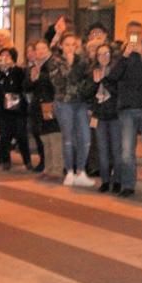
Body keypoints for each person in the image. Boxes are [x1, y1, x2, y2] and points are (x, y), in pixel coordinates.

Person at [108, 21, 142, 199]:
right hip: (127, 108)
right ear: (125, 34)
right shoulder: (120, 54)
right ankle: (128, 185)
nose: (135, 36)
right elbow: (113, 76)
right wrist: (125, 56)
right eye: (131, 33)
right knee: (126, 151)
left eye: (138, 33)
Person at [50, 33, 95, 187]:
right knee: (68, 138)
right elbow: (59, 82)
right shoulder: (55, 61)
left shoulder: (82, 61)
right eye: (67, 44)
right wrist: (69, 65)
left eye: (73, 45)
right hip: (64, 103)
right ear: (61, 45)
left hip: (81, 103)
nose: (70, 48)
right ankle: (69, 171)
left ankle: (81, 171)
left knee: (85, 137)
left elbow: (86, 80)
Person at [0, 47, 33, 171]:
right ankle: (6, 160)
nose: (5, 58)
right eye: (2, 56)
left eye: (8, 56)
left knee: (21, 134)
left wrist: (11, 67)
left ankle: (27, 161)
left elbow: (21, 84)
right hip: (2, 107)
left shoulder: (18, 70)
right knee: (4, 135)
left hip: (17, 107)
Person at [91, 43, 122, 193]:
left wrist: (104, 80)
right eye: (100, 54)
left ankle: (117, 180)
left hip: (114, 114)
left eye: (106, 54)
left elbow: (118, 91)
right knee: (102, 150)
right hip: (99, 115)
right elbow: (87, 93)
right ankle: (105, 180)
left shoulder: (115, 71)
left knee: (116, 150)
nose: (103, 57)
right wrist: (94, 83)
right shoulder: (93, 71)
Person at [26, 39, 59, 176]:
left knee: (51, 134)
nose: (40, 51)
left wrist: (40, 75)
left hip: (48, 104)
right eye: (37, 49)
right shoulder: (34, 66)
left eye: (43, 48)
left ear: (48, 50)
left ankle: (54, 165)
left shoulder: (52, 64)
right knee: (39, 134)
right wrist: (32, 78)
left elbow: (54, 82)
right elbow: (26, 87)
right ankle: (44, 162)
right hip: (36, 104)